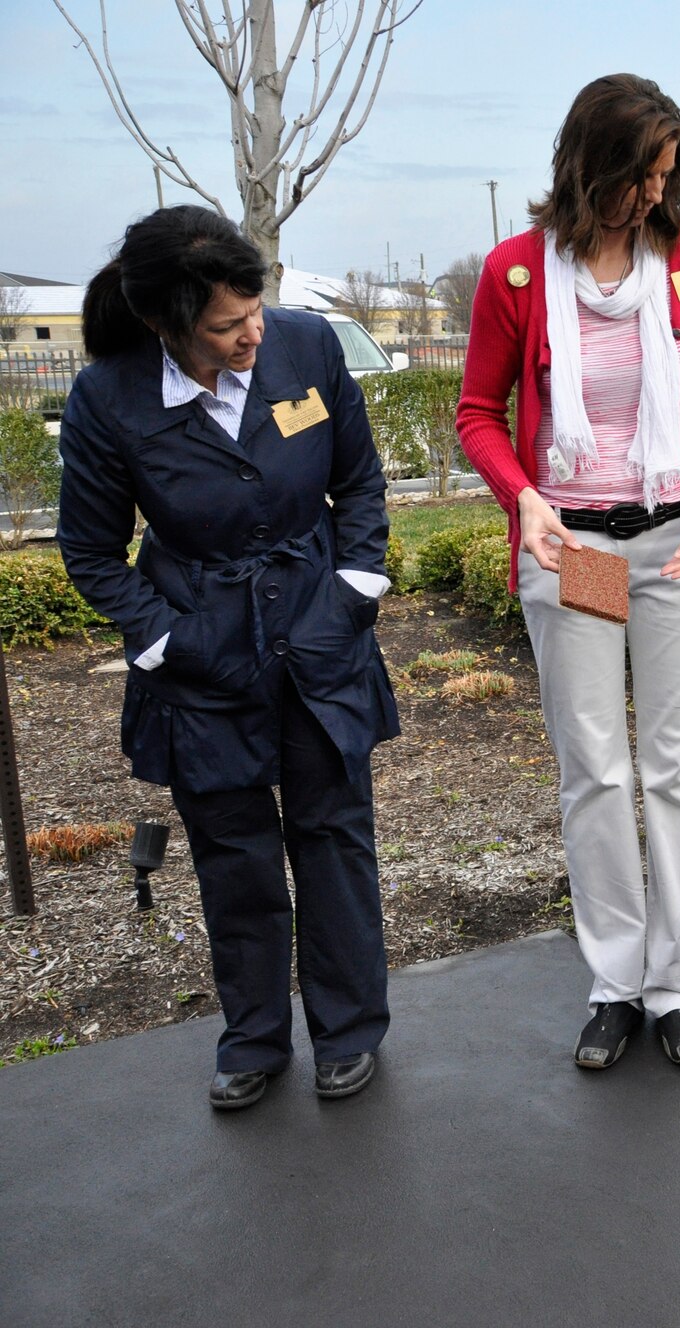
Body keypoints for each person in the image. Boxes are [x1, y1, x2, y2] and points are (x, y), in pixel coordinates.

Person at [56, 206, 400, 1110]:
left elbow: (358, 482)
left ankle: (349, 1030)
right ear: (167, 324)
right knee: (232, 849)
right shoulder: (110, 396)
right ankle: (253, 1036)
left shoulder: (306, 348)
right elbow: (91, 553)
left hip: (320, 633)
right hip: (202, 653)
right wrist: (166, 636)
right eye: (225, 326)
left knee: (332, 833)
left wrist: (357, 586)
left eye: (255, 310)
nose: (252, 334)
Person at [456, 74, 680, 1072]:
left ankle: (678, 984)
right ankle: (615, 981)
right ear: (592, 168)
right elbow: (476, 413)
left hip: (676, 543)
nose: (657, 196)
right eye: (641, 176)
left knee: (675, 767)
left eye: (669, 177)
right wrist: (522, 498)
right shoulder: (516, 275)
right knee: (595, 769)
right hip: (574, 546)